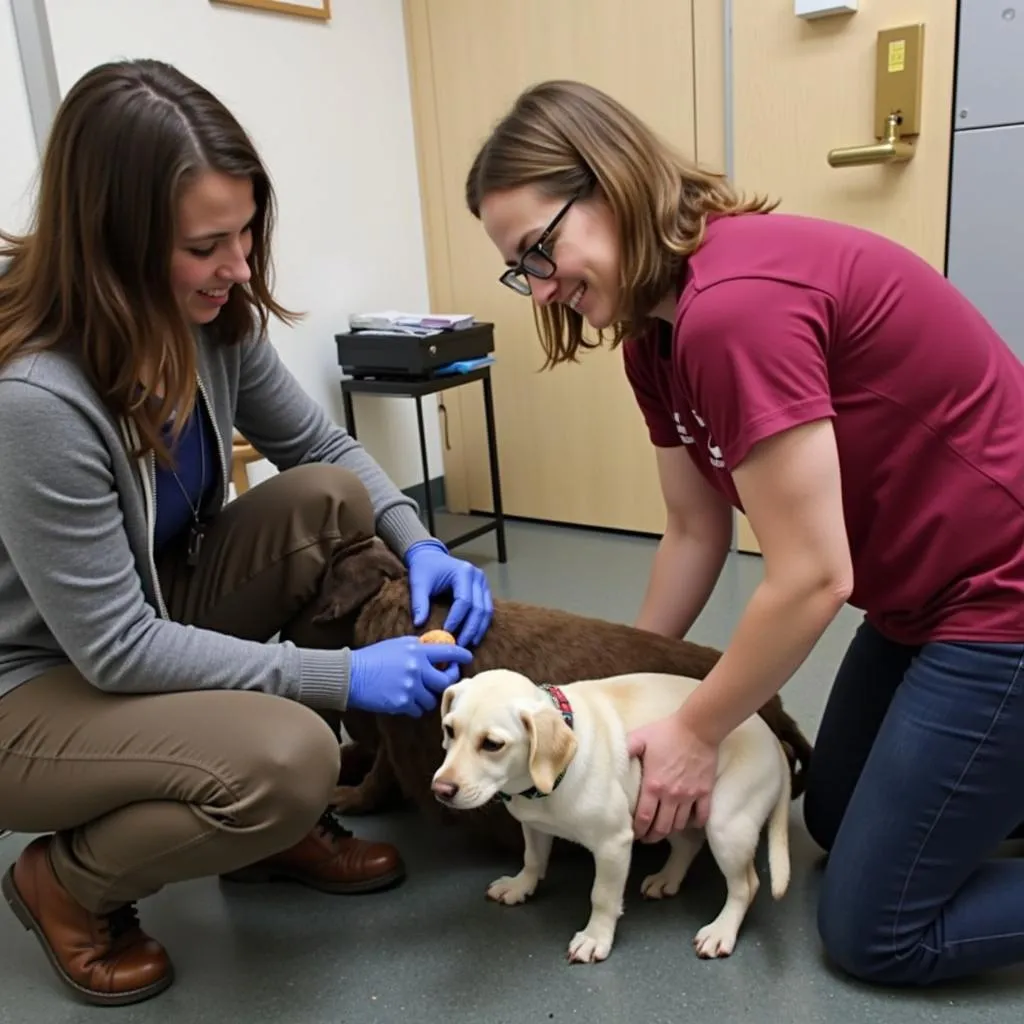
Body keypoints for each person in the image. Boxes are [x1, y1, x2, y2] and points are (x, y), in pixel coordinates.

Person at [463, 78, 1024, 988]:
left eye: (541, 249)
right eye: (520, 267)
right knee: (833, 816)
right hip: (921, 601)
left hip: (1004, 598)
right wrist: (608, 711)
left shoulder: (736, 309)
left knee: (876, 929)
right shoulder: (655, 335)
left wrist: (692, 732)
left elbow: (811, 580)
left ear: (609, 185)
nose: (542, 285)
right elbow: (695, 528)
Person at [0, 58, 492, 1007]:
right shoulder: (36, 401)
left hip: (137, 616)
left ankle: (266, 838)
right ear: (114, 244)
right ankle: (65, 885)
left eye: (247, 231)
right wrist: (345, 681)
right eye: (206, 244)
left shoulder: (207, 317)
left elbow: (320, 445)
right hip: (33, 686)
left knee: (325, 500)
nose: (238, 265)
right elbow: (117, 650)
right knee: (293, 758)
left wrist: (423, 539)